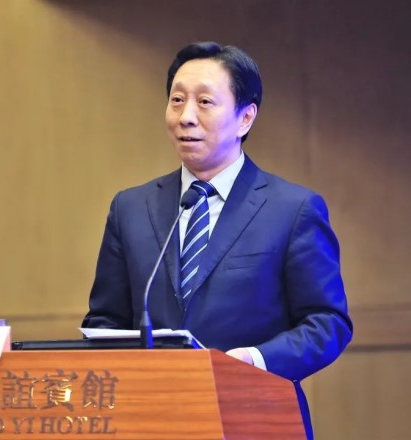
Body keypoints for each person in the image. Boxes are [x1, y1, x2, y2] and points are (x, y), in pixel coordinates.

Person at [82, 41, 353, 439]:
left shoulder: (292, 209)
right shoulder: (130, 208)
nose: (186, 117)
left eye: (205, 102)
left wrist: (253, 359)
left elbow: (328, 323)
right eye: (177, 100)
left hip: (255, 419)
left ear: (245, 118)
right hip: (150, 421)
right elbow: (105, 321)